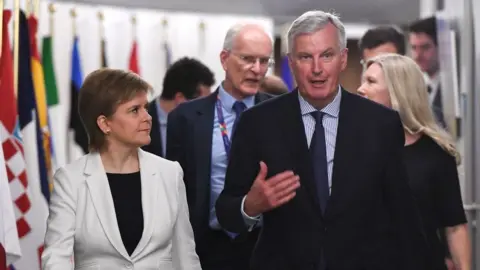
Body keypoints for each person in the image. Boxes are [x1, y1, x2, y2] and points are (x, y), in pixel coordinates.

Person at [215, 10, 430, 270]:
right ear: (291, 62)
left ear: (342, 59)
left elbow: (404, 217)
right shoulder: (257, 123)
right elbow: (226, 212)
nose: (317, 69)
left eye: (326, 55)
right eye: (306, 57)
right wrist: (250, 206)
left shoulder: (380, 124)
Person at [42, 68, 200, 270]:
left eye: (146, 107)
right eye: (135, 110)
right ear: (104, 123)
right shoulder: (71, 180)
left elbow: (185, 256)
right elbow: (56, 258)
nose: (147, 117)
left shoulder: (170, 173)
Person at [166, 23, 273, 270]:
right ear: (225, 59)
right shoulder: (186, 118)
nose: (257, 70)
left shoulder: (281, 114)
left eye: (264, 61)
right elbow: (173, 191)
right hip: (204, 248)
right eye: (247, 59)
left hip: (263, 247)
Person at [357, 53, 471, 270]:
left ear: (397, 90)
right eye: (363, 80)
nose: (361, 88)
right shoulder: (351, 145)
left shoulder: (435, 152)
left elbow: (454, 225)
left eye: (370, 82)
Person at [143, 57, 215, 157]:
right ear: (180, 99)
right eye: (203, 102)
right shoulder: (140, 120)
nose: (208, 107)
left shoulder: (204, 124)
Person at [409, 16, 446, 128]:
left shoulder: (453, 90)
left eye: (425, 47)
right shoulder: (411, 85)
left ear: (441, 47)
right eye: (414, 48)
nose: (417, 56)